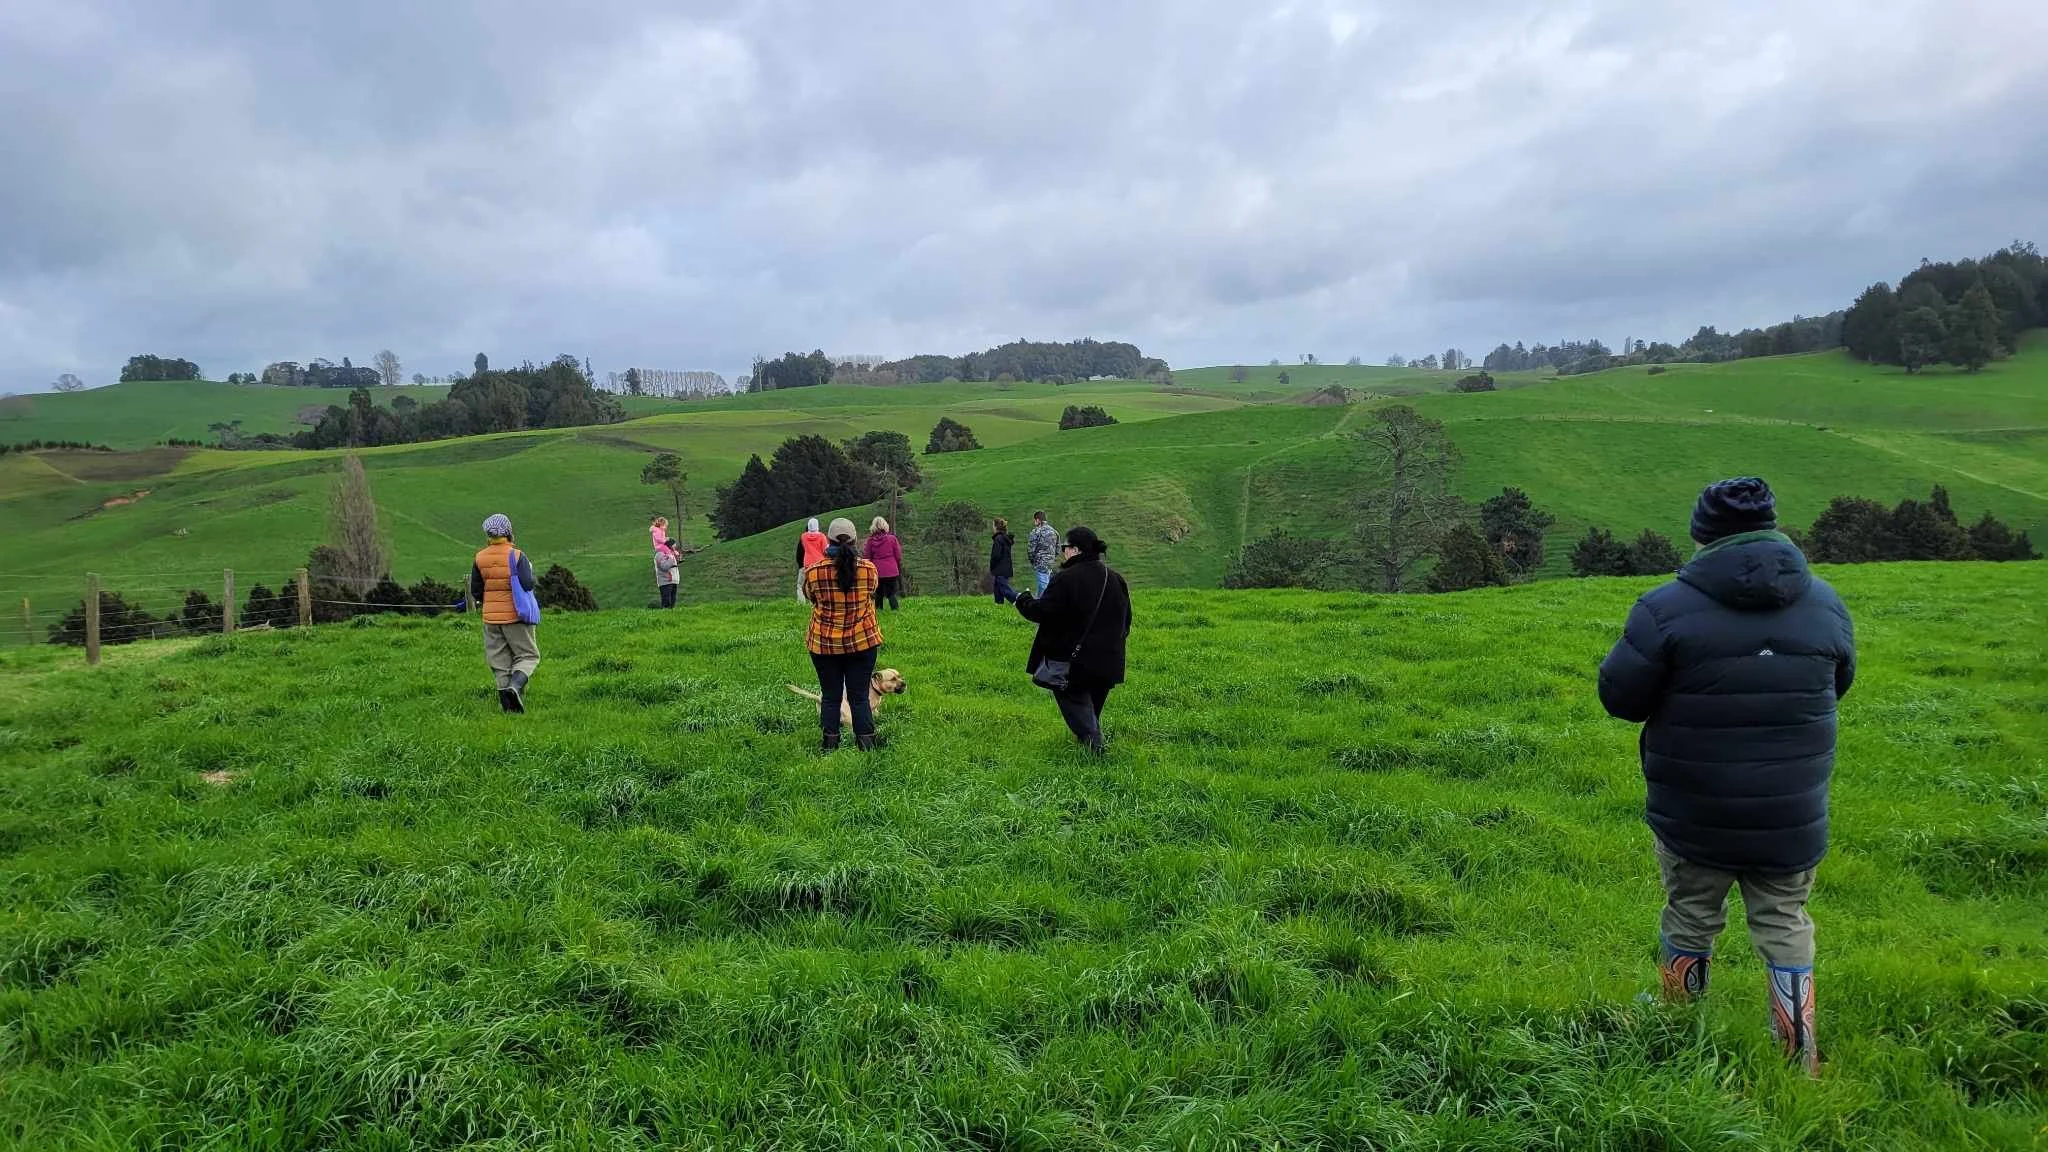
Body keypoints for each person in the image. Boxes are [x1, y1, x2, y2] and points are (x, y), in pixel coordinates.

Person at [1597, 477, 1855, 1077]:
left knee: (1691, 909)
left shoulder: (1664, 608)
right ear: (1773, 526)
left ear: (1701, 533)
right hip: (1791, 811)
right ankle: (1797, 1049)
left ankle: (1677, 1018)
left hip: (1695, 808)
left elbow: (1620, 697)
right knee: (1785, 920)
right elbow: (1837, 685)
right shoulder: (1826, 603)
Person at [1016, 525, 1131, 756]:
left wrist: (1024, 601)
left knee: (1083, 718)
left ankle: (1098, 756)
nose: (1062, 552)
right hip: (1109, 660)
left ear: (1075, 550)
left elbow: (1043, 612)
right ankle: (1089, 753)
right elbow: (1127, 620)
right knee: (1090, 714)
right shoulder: (1115, 579)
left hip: (1074, 662)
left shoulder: (1066, 579)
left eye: (1064, 547)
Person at [802, 518, 885, 751]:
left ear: (827, 540)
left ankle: (830, 744)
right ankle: (866, 743)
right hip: (862, 641)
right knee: (859, 696)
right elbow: (873, 591)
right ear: (854, 539)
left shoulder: (814, 571)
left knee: (830, 696)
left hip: (824, 643)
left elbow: (811, 597)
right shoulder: (868, 569)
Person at [470, 513, 541, 713]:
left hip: (491, 618)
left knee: (500, 662)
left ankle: (508, 707)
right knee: (528, 655)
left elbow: (476, 590)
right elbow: (527, 583)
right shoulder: (517, 556)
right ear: (509, 532)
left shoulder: (480, 557)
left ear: (488, 534)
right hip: (516, 616)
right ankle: (515, 687)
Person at [866, 516, 904, 610]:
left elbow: (867, 557)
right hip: (891, 570)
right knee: (891, 593)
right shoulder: (892, 539)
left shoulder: (870, 541)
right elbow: (898, 555)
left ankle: (878, 610)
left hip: (877, 570)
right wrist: (898, 566)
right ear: (885, 526)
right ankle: (895, 610)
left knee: (878, 593)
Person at [1026, 511, 1060, 596]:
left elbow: (1030, 549)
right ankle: (1039, 601)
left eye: (1034, 520)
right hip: (1050, 562)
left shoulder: (1036, 532)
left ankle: (1043, 603)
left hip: (1039, 561)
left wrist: (1033, 561)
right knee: (1044, 582)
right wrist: (1052, 557)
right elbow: (1058, 549)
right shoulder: (1055, 532)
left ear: (1037, 520)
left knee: (1043, 585)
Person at [796, 517, 829, 602]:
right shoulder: (822, 536)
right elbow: (825, 550)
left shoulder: (803, 536)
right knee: (819, 585)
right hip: (820, 563)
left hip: (807, 563)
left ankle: (807, 602)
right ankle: (819, 602)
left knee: (808, 585)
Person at [651, 516, 681, 609]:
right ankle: (665, 614)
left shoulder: (669, 553)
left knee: (673, 600)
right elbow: (664, 566)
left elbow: (674, 565)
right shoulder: (660, 554)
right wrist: (672, 559)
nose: (673, 548)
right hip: (665, 581)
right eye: (673, 546)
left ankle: (671, 614)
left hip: (673, 580)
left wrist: (676, 558)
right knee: (667, 601)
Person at [989, 517, 1020, 605]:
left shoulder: (998, 539)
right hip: (1006, 567)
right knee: (997, 586)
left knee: (1003, 588)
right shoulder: (1005, 538)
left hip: (1000, 567)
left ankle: (1017, 598)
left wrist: (993, 564)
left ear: (996, 527)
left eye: (993, 525)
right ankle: (998, 603)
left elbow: (996, 555)